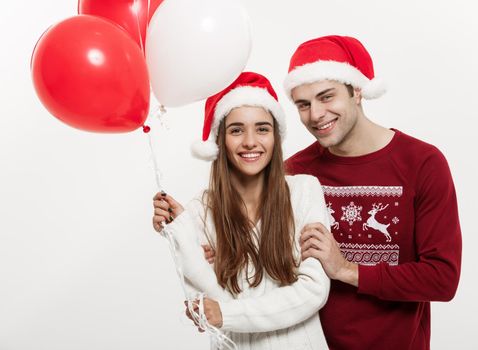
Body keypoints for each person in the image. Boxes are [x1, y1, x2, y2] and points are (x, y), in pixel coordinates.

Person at [283, 35, 462, 350]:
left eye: (327, 97)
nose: (315, 114)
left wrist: (346, 269)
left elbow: (442, 278)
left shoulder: (422, 163)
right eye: (303, 104)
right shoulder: (293, 172)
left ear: (357, 91)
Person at [152, 72, 330, 349]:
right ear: (220, 140)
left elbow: (313, 291)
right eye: (236, 130)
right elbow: (206, 307)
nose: (250, 141)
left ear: (275, 137)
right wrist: (181, 233)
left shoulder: (304, 191)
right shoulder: (200, 210)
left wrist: (227, 313)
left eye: (262, 129)